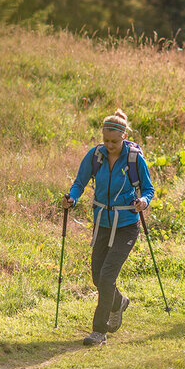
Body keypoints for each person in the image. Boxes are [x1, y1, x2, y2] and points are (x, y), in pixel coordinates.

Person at [66, 110, 154, 346]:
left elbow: (148, 189)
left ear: (124, 136)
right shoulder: (96, 155)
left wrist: (143, 202)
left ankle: (99, 331)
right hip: (102, 224)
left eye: (114, 141)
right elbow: (79, 183)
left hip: (126, 225)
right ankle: (118, 302)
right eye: (106, 140)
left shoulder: (135, 158)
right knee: (98, 276)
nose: (109, 145)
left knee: (106, 277)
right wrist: (72, 199)